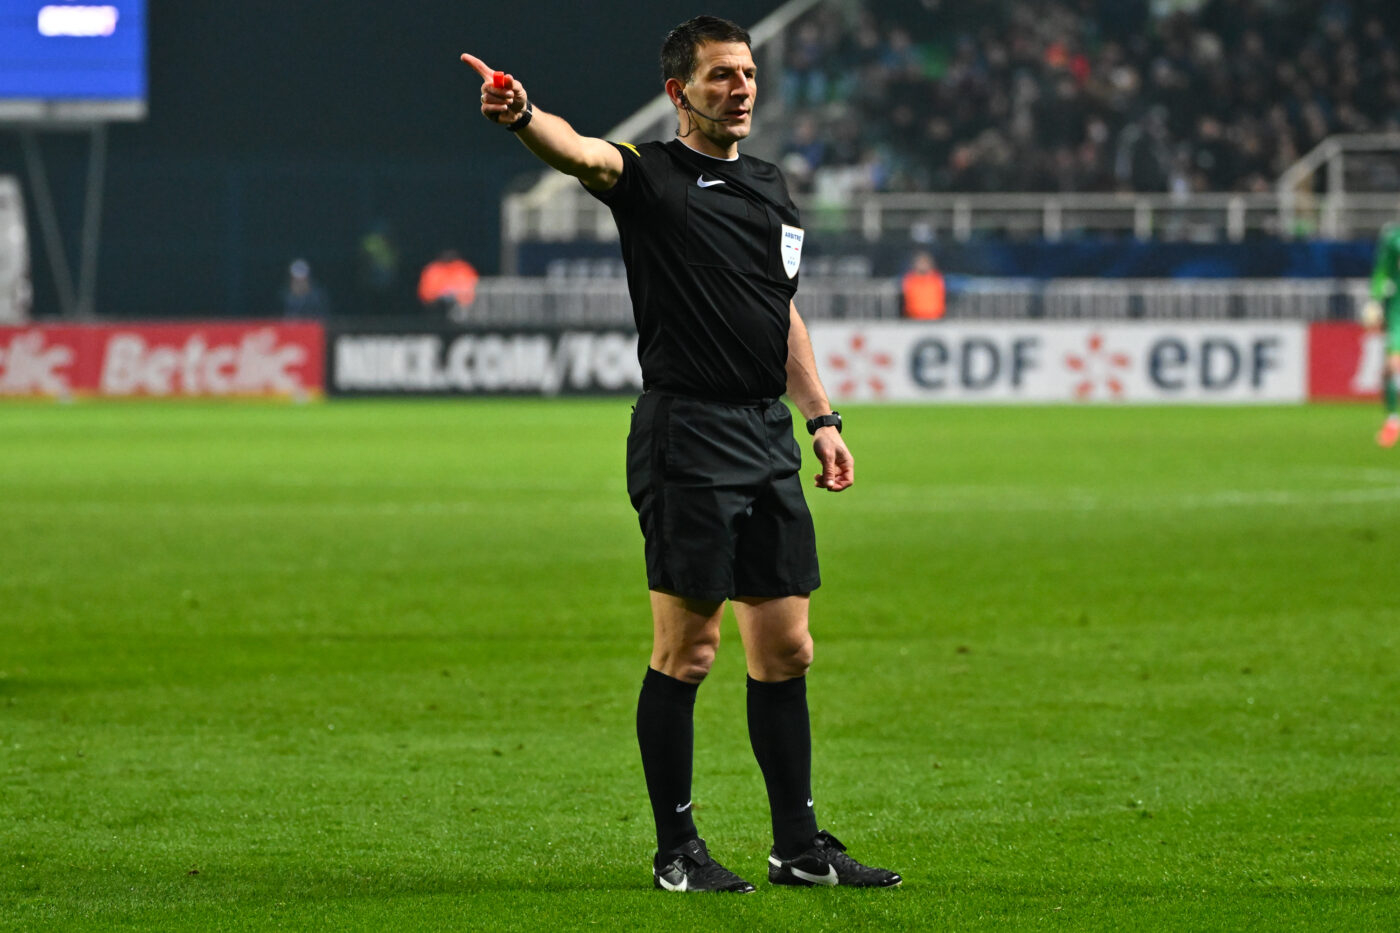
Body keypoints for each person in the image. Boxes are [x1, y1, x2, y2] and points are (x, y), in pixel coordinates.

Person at [463, 15, 902, 894]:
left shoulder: (771, 186)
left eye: (748, 74)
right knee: (689, 651)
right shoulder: (652, 176)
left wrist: (821, 417)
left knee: (788, 649)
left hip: (766, 434)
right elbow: (582, 155)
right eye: (720, 76)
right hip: (689, 436)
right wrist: (523, 116)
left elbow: (780, 311)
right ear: (679, 92)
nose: (741, 89)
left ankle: (797, 846)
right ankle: (677, 851)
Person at [1363, 222, 1400, 448]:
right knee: (1391, 368)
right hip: (1397, 310)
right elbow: (1381, 271)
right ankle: (1393, 421)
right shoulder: (1393, 237)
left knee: (1391, 369)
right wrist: (1375, 300)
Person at [417, 248, 480, 315]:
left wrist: (455, 293)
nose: (448, 256)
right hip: (436, 304)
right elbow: (426, 291)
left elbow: (472, 287)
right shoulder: (433, 269)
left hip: (461, 305)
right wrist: (441, 293)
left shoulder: (463, 268)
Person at [902, 249, 946, 320]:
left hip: (935, 318)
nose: (923, 265)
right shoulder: (910, 279)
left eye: (925, 262)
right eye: (920, 262)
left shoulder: (937, 279)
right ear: (915, 264)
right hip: (914, 318)